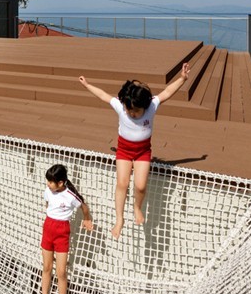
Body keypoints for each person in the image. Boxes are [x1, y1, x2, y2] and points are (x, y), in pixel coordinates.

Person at [78, 63, 190, 239]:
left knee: (140, 185)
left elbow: (167, 92)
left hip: (143, 152)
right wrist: (87, 85)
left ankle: (137, 207)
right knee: (122, 183)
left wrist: (182, 78)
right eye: (129, 111)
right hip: (124, 150)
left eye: (136, 112)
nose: (132, 114)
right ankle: (119, 219)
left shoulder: (152, 106)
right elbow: (103, 95)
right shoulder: (122, 106)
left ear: (145, 106)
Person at [38, 164, 93, 294]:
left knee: (61, 272)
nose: (48, 184)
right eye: (47, 181)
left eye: (51, 182)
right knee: (47, 267)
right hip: (48, 228)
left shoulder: (70, 195)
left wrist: (87, 218)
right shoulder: (48, 190)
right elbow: (48, 204)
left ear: (61, 183)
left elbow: (83, 206)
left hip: (62, 232)